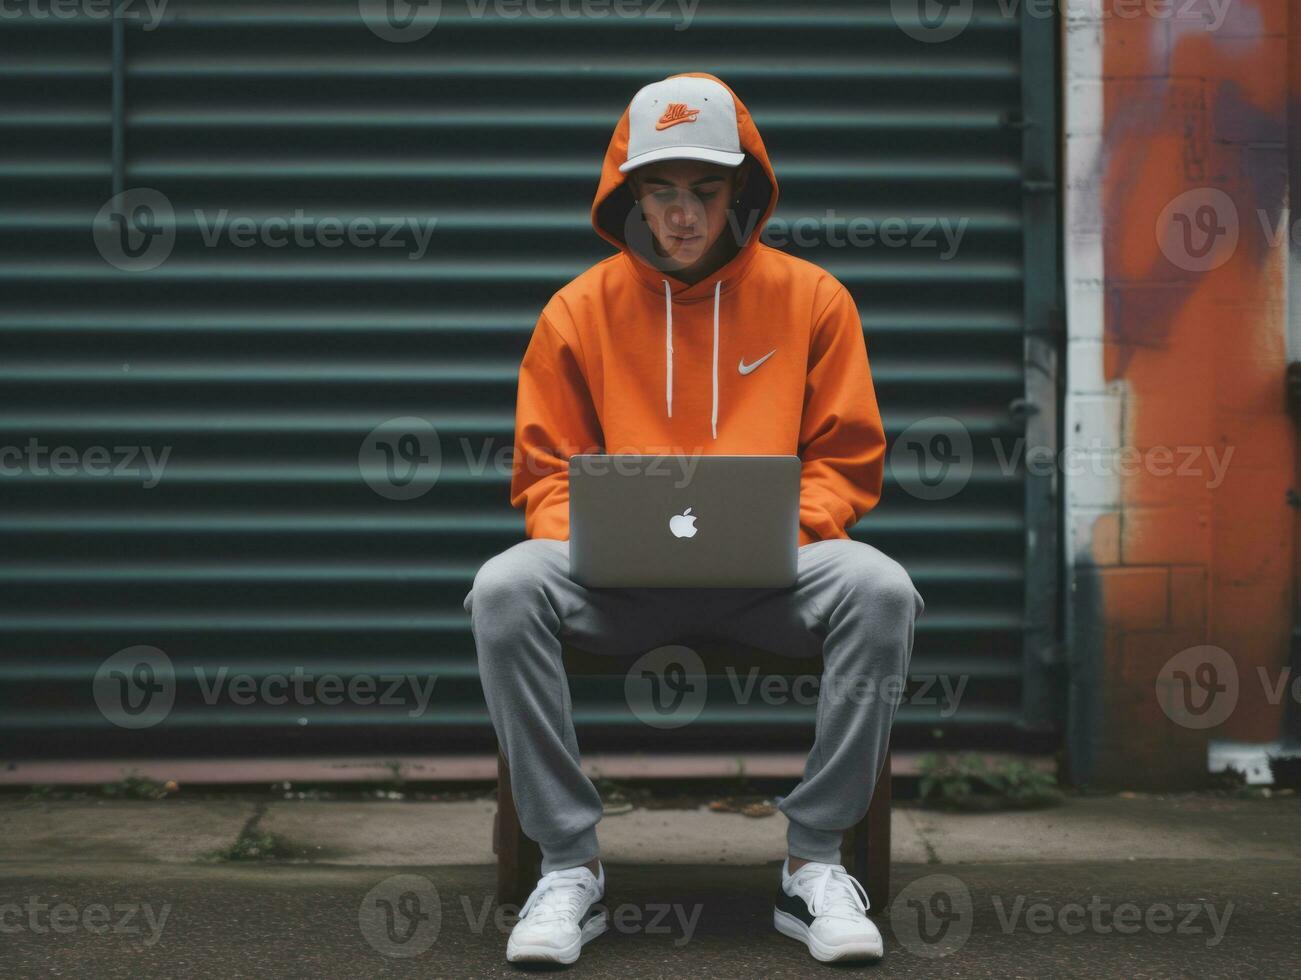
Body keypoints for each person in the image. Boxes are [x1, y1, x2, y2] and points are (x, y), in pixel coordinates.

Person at [463, 72, 925, 965]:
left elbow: (847, 459)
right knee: (504, 588)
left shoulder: (813, 299)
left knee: (881, 589)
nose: (681, 215)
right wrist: (584, 536)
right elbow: (544, 470)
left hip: (774, 576)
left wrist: (789, 527)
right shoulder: (578, 309)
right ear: (629, 193)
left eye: (704, 193)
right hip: (618, 583)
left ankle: (815, 859)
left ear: (738, 191)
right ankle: (567, 865)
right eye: (661, 192)